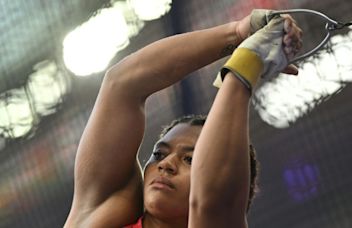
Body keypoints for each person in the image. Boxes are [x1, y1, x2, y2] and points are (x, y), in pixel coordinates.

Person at [64, 8, 303, 228]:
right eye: (159, 154)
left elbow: (212, 201)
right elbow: (122, 84)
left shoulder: (219, 212)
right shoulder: (105, 212)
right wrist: (237, 33)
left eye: (190, 159)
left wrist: (248, 61)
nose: (165, 164)